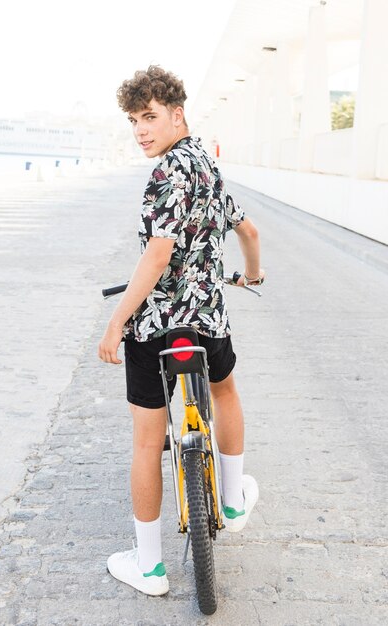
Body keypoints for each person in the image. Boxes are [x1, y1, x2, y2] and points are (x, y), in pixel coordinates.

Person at [98, 65, 264, 597]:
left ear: (177, 114)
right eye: (133, 120)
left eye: (150, 117)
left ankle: (149, 568)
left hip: (155, 329)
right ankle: (233, 500)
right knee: (225, 391)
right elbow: (248, 229)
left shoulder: (166, 173)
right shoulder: (209, 170)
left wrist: (117, 319)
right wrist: (252, 271)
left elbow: (158, 251)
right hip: (208, 319)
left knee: (148, 442)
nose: (141, 130)